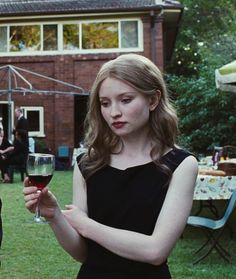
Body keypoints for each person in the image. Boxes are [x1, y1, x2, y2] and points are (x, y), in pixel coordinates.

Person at [23, 54, 198, 279]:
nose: (114, 112)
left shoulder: (181, 165)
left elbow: (156, 250)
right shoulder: (88, 163)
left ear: (153, 100)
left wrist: (87, 226)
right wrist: (54, 215)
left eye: (125, 100)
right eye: (105, 103)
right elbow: (83, 253)